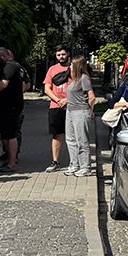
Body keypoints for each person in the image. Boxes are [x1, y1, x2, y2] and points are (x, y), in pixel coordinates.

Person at [0, 47, 24, 172]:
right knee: (4, 133)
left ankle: (12, 163)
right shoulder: (14, 67)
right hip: (5, 105)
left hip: (10, 106)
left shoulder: (10, 66)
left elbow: (3, 83)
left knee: (10, 134)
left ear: (2, 56)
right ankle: (10, 160)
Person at [63, 56, 96, 177]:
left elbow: (91, 96)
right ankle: (74, 164)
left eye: (71, 65)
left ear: (77, 66)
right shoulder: (74, 79)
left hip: (81, 111)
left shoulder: (83, 78)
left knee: (82, 140)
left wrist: (90, 111)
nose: (69, 66)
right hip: (70, 111)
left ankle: (85, 167)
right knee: (71, 140)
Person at [42, 45, 72, 173]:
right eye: (58, 55)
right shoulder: (52, 69)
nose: (61, 57)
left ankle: (74, 162)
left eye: (63, 54)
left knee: (73, 136)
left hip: (72, 106)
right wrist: (58, 100)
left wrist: (67, 100)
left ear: (68, 55)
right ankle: (55, 162)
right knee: (56, 135)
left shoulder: (75, 68)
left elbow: (79, 88)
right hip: (56, 106)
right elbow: (47, 88)